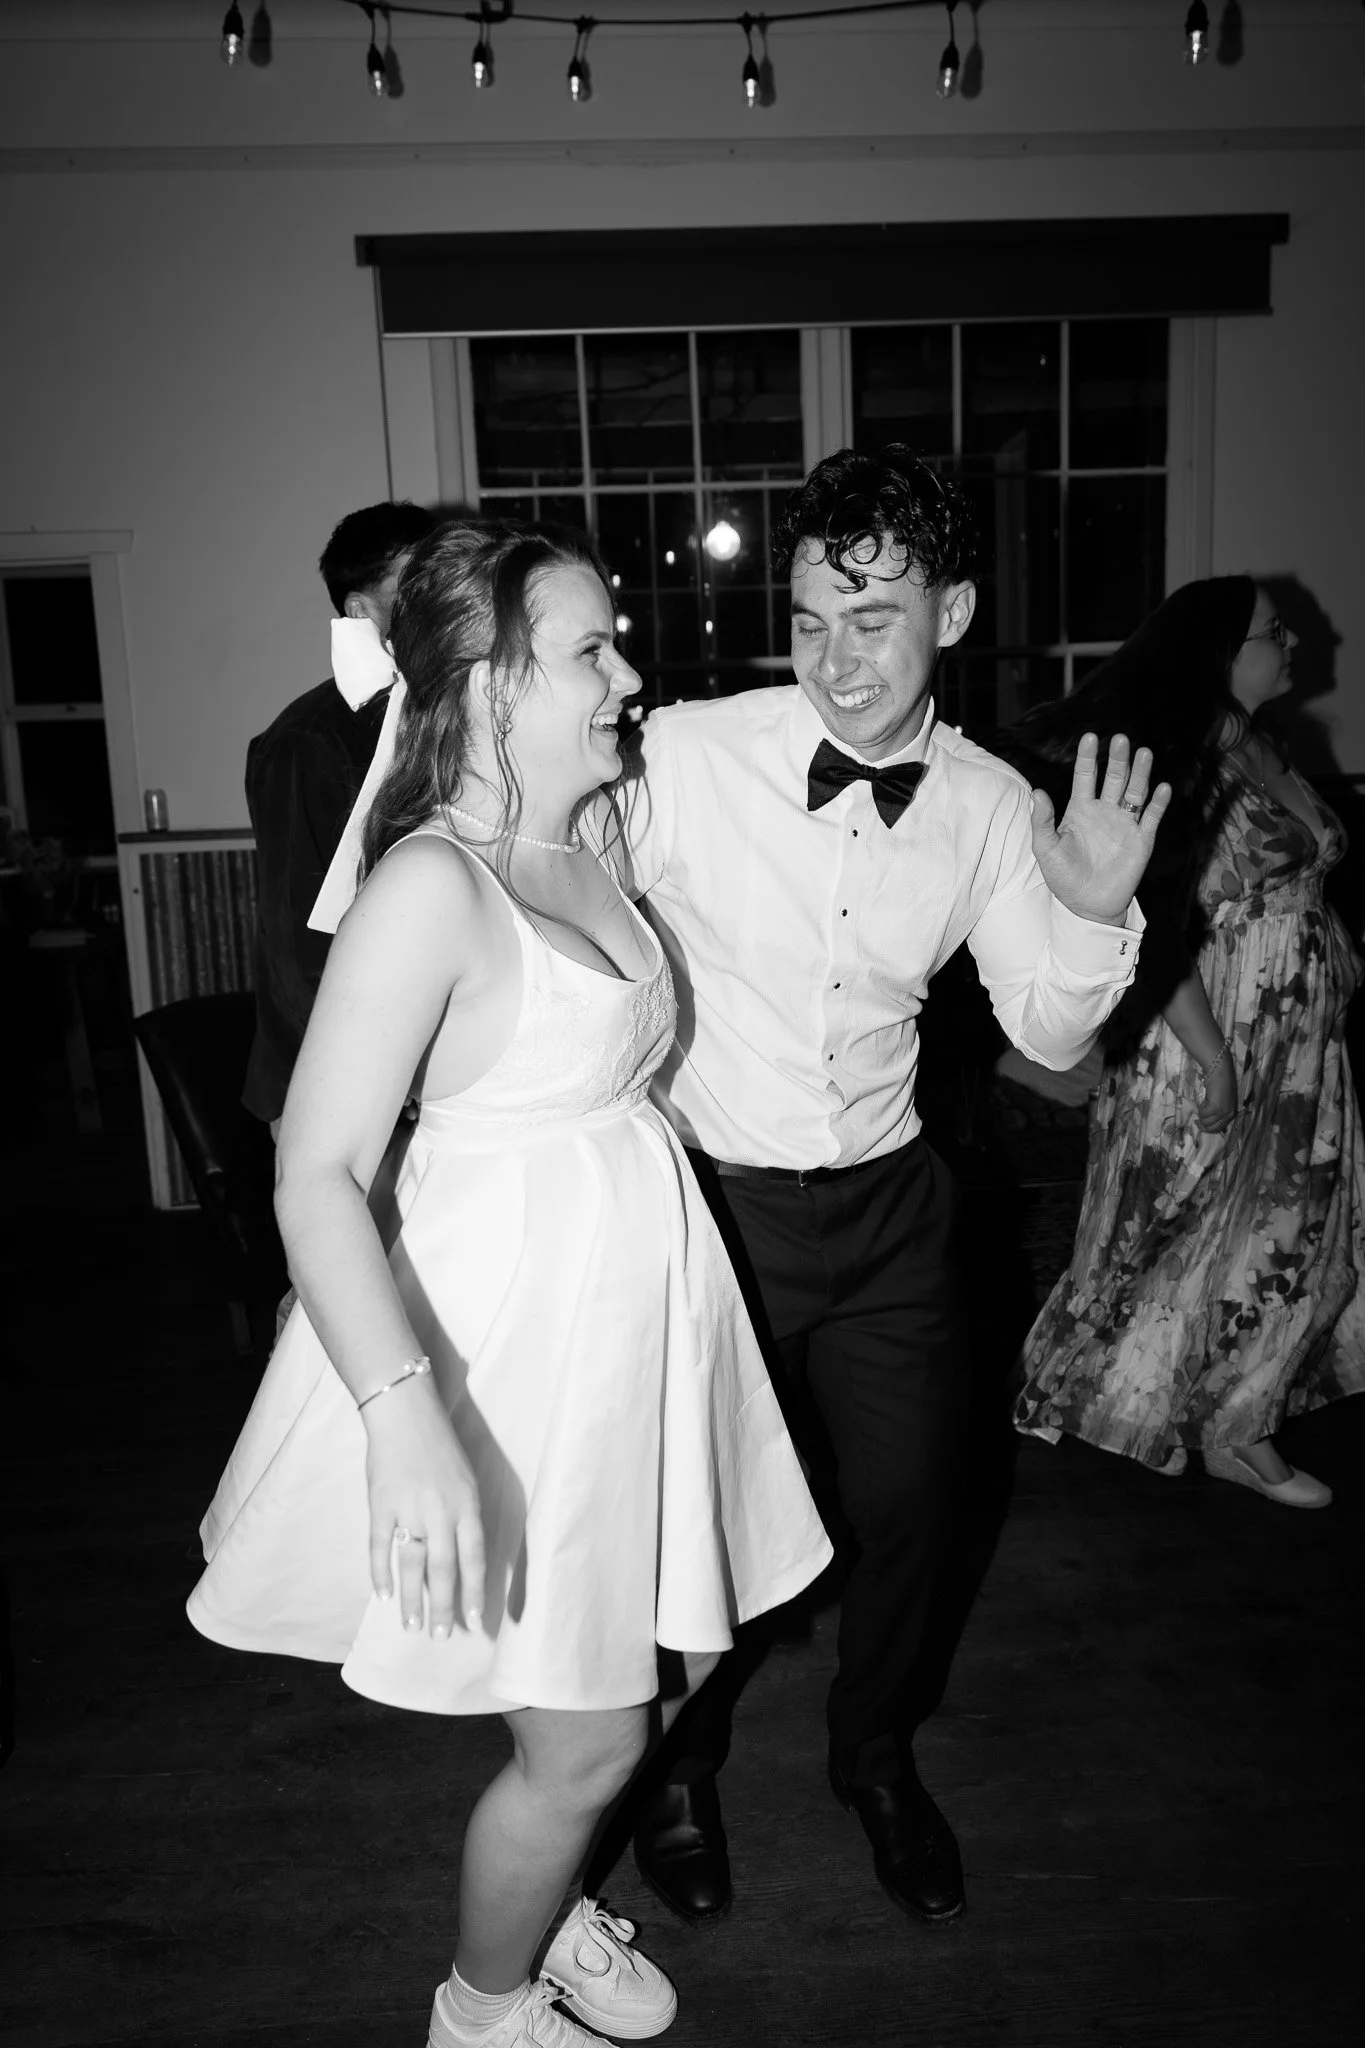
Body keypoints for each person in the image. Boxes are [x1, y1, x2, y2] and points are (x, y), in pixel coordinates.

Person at [188, 519, 833, 2048]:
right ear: (482, 686)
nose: (628, 674)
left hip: (637, 1319)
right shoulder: (432, 885)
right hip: (511, 1342)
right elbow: (317, 1172)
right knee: (589, 1744)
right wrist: (406, 1418)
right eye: (592, 651)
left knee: (664, 1660)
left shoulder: (582, 834)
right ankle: (482, 2012)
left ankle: (548, 1916)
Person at [610, 445, 1169, 1929]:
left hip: (890, 1212)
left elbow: (1049, 1030)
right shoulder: (686, 757)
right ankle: (679, 1766)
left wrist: (1095, 909)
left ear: (956, 612)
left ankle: (872, 1757)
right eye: (808, 618)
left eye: (874, 617)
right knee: (707, 1529)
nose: (836, 658)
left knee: (917, 1513)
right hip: (717, 1213)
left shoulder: (990, 802)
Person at [1009, 577, 1365, 1506]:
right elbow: (1155, 930)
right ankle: (1147, 1409)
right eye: (1270, 630)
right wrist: (1212, 1057)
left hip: (1297, 1040)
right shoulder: (1175, 764)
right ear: (1218, 652)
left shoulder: (1266, 746)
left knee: (1280, 1232)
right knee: (1165, 1235)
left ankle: (1236, 1426)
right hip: (1199, 1036)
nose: (1290, 640)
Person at [243, 498, 437, 1130]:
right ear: (360, 611)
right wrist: (381, 1067)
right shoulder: (308, 739)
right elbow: (298, 940)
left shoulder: (442, 717)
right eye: (418, 585)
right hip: (330, 1074)